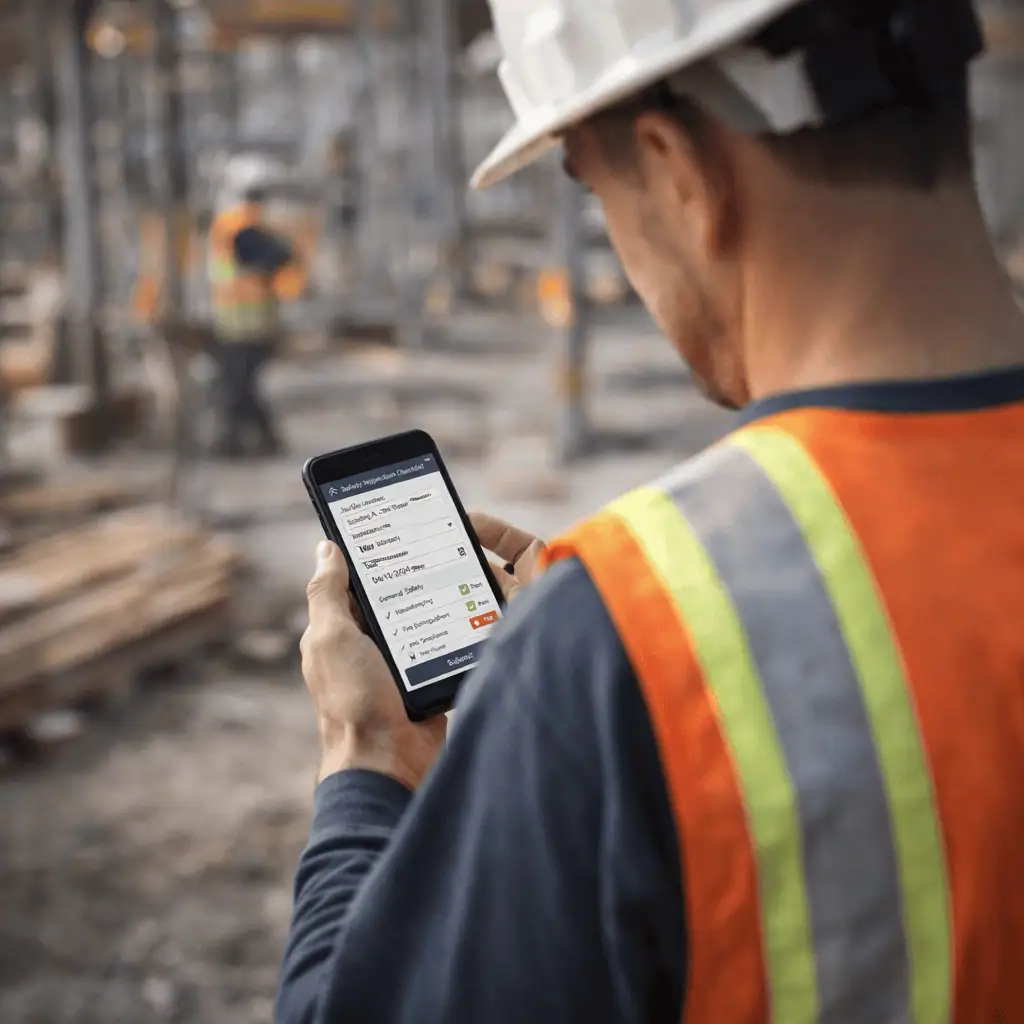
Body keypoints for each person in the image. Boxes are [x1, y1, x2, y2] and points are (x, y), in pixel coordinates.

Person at [278, 0, 1024, 1020]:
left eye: (595, 188)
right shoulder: (611, 640)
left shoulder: (614, 647)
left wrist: (366, 758)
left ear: (677, 171)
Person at [207, 182, 305, 458]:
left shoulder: (240, 230)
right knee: (239, 386)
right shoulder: (243, 230)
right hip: (242, 327)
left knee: (238, 386)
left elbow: (279, 260)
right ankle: (254, 440)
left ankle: (242, 442)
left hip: (247, 329)